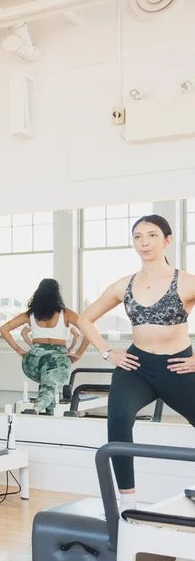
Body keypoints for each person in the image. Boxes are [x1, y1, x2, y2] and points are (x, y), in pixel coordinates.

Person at [74, 214, 195, 507]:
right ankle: (127, 500)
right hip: (136, 367)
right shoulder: (124, 285)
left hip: (177, 366)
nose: (144, 242)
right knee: (118, 420)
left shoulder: (187, 282)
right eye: (138, 236)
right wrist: (108, 352)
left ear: (167, 241)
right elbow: (85, 319)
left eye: (152, 235)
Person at [0, 278, 85, 416]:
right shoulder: (66, 313)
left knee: (48, 384)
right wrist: (79, 353)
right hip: (56, 358)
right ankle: (36, 408)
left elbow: (4, 329)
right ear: (57, 295)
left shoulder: (31, 314)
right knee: (50, 385)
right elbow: (89, 329)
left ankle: (49, 416)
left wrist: (18, 350)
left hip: (34, 360)